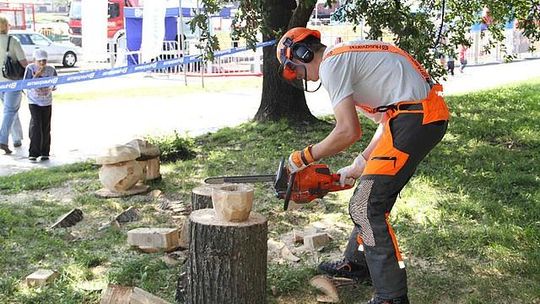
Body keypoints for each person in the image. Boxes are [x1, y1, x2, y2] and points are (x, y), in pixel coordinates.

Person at [276, 28, 449, 304]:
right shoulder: (345, 60)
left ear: (302, 54)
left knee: (365, 206)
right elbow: (387, 120)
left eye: (293, 69)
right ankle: (358, 263)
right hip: (414, 118)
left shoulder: (333, 63)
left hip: (416, 119)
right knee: (368, 199)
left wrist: (304, 157)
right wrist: (360, 164)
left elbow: (347, 131)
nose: (297, 75)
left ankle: (391, 296)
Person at [0, 14, 28, 154]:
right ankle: (2, 140)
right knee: (10, 111)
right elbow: (23, 62)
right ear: (6, 26)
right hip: (12, 82)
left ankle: (17, 139)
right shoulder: (13, 41)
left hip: (0, 84)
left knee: (10, 110)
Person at [23, 49, 57, 161]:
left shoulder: (51, 69)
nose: (42, 63)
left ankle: (45, 151)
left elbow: (55, 84)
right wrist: (36, 76)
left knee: (46, 126)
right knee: (36, 125)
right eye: (39, 61)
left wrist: (51, 86)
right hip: (34, 101)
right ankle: (33, 152)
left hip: (46, 101)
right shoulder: (30, 68)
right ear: (34, 60)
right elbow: (25, 85)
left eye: (44, 61)